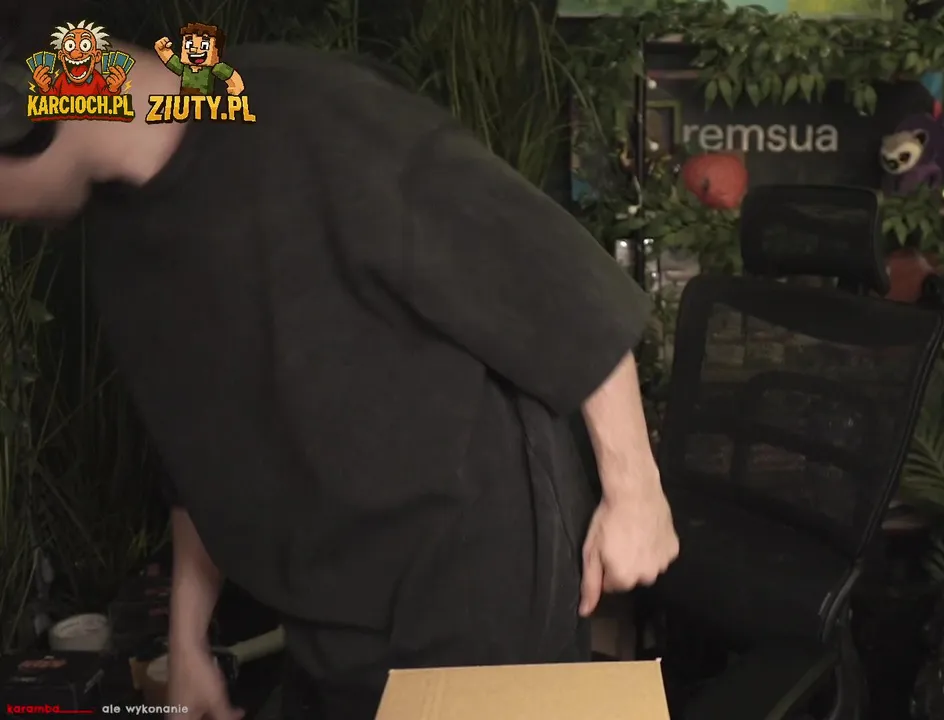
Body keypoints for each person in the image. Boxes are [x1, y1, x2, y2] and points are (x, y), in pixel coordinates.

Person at [0, 8, 680, 720]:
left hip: (474, 588)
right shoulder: (119, 233)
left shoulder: (313, 118)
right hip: (324, 614)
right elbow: (199, 449)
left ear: (17, 113)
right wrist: (187, 639)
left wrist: (636, 495)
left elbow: (557, 282)